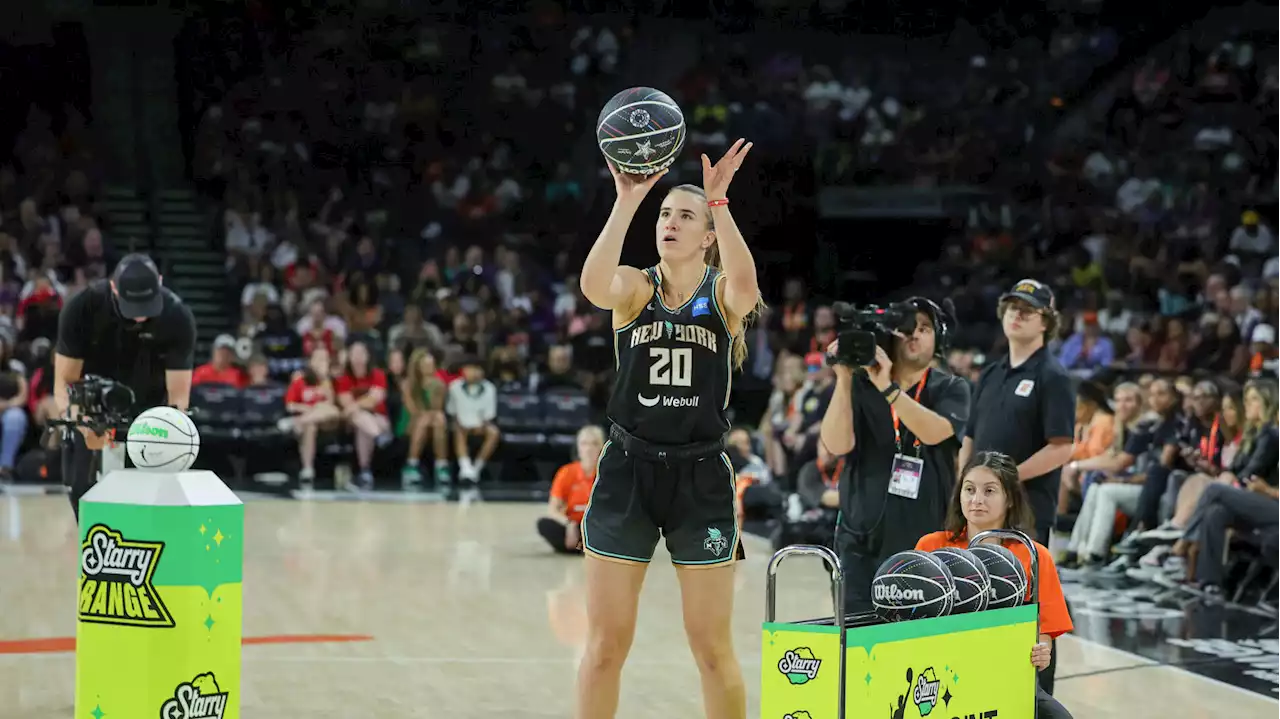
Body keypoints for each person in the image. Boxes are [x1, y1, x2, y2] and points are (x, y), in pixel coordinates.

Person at [575, 139, 762, 719]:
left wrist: (721, 203)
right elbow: (592, 284)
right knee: (606, 646)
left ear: (707, 235)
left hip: (701, 474)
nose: (671, 223)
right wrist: (628, 200)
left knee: (711, 648)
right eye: (665, 214)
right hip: (628, 470)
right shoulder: (635, 288)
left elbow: (747, 285)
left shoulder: (723, 296)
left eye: (686, 216)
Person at [817, 297, 971, 615]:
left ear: (938, 338)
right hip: (859, 538)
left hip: (924, 541)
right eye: (906, 328)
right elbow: (836, 444)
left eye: (925, 328)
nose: (914, 334)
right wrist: (844, 378)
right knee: (856, 641)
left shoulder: (951, 388)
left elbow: (936, 432)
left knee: (915, 646)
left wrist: (888, 388)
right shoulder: (859, 385)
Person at [915, 451, 1074, 719]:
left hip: (1008, 677)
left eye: (989, 491)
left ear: (1009, 498)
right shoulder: (931, 546)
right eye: (969, 490)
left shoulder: (1034, 554)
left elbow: (1044, 629)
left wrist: (1042, 650)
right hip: (942, 677)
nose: (977, 500)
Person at [54, 254, 197, 519]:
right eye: (133, 305)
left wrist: (170, 437)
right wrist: (77, 419)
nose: (141, 315)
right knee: (84, 493)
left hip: (150, 413)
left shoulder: (177, 315)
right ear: (113, 287)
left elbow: (178, 398)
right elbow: (64, 383)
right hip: (92, 407)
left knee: (151, 502)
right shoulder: (82, 308)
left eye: (147, 304)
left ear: (161, 283)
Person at [959, 279, 1075, 546]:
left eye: (1028, 310)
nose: (1017, 314)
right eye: (1012, 308)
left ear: (1045, 323)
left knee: (1021, 586)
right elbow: (970, 437)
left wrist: (1006, 479)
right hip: (981, 509)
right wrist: (966, 485)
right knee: (974, 585)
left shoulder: (1053, 376)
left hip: (1026, 509)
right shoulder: (989, 374)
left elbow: (1062, 448)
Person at [538, 425, 605, 554]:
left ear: (602, 447)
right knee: (545, 525)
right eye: (584, 444)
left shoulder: (609, 474)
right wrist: (569, 524)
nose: (589, 449)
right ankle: (584, 547)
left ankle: (581, 548)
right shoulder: (566, 472)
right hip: (573, 524)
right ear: (578, 448)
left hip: (597, 525)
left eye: (594, 444)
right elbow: (553, 509)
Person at [335, 340, 391, 491]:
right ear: (349, 357)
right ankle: (379, 436)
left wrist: (356, 405)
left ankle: (365, 472)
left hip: (378, 418)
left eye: (361, 353)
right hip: (353, 421)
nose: (358, 357)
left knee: (363, 426)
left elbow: (375, 399)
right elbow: (346, 402)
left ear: (367, 357)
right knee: (358, 417)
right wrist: (359, 405)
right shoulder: (344, 378)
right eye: (355, 353)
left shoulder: (378, 374)